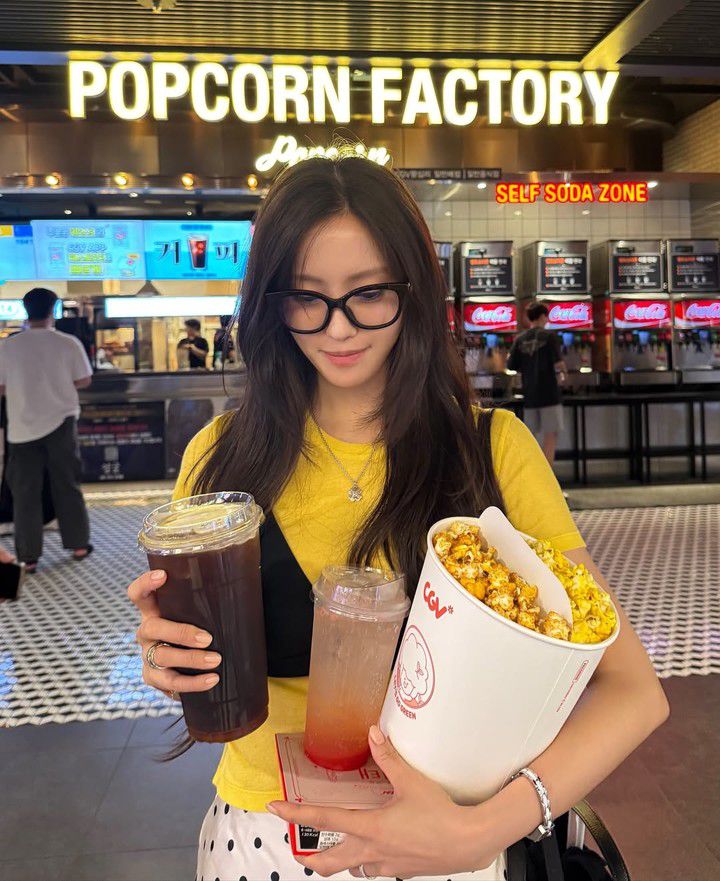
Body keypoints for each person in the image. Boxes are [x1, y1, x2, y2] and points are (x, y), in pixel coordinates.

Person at [128, 155, 668, 881]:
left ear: (414, 290)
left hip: (451, 839)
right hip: (265, 837)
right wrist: (171, 659)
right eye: (306, 297)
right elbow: (193, 650)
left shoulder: (490, 450)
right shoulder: (223, 457)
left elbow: (632, 691)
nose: (338, 327)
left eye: (370, 293)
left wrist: (482, 831)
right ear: (269, 301)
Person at [0, 288, 93, 574]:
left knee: (25, 492)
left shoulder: (8, 346)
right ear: (53, 310)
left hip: (21, 428)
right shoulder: (68, 343)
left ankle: (28, 557)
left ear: (25, 310)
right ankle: (78, 544)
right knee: (67, 484)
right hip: (61, 422)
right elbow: (84, 380)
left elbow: (1, 387)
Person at [507, 302, 567, 466]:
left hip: (530, 396)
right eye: (546, 316)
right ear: (541, 316)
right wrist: (565, 376)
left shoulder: (520, 339)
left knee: (531, 439)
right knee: (550, 436)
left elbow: (511, 365)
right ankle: (548, 476)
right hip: (550, 395)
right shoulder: (549, 337)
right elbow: (559, 365)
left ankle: (533, 475)